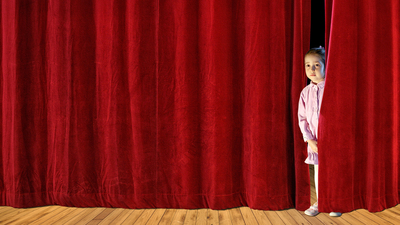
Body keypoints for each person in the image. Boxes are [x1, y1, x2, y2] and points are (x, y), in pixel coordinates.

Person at [298, 47, 341, 217]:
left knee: (334, 172)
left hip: (332, 140)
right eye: (308, 66)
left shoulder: (331, 89)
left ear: (326, 66)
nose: (312, 69)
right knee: (318, 172)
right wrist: (309, 140)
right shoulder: (305, 92)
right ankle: (321, 201)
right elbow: (302, 119)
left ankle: (335, 202)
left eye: (316, 65)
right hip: (315, 142)